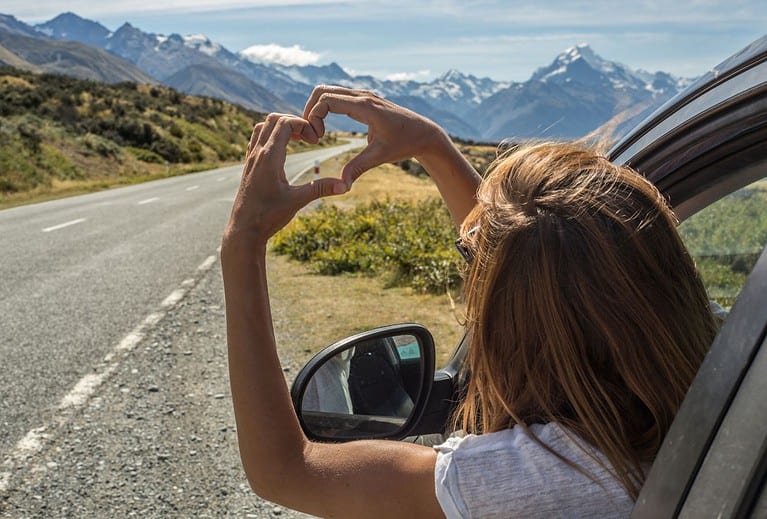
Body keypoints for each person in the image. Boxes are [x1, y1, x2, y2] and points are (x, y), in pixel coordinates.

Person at [220, 86, 719, 518]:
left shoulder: (521, 480)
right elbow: (536, 267)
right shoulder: (728, 363)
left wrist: (242, 243)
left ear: (515, 330)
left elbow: (285, 470)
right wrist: (432, 147)